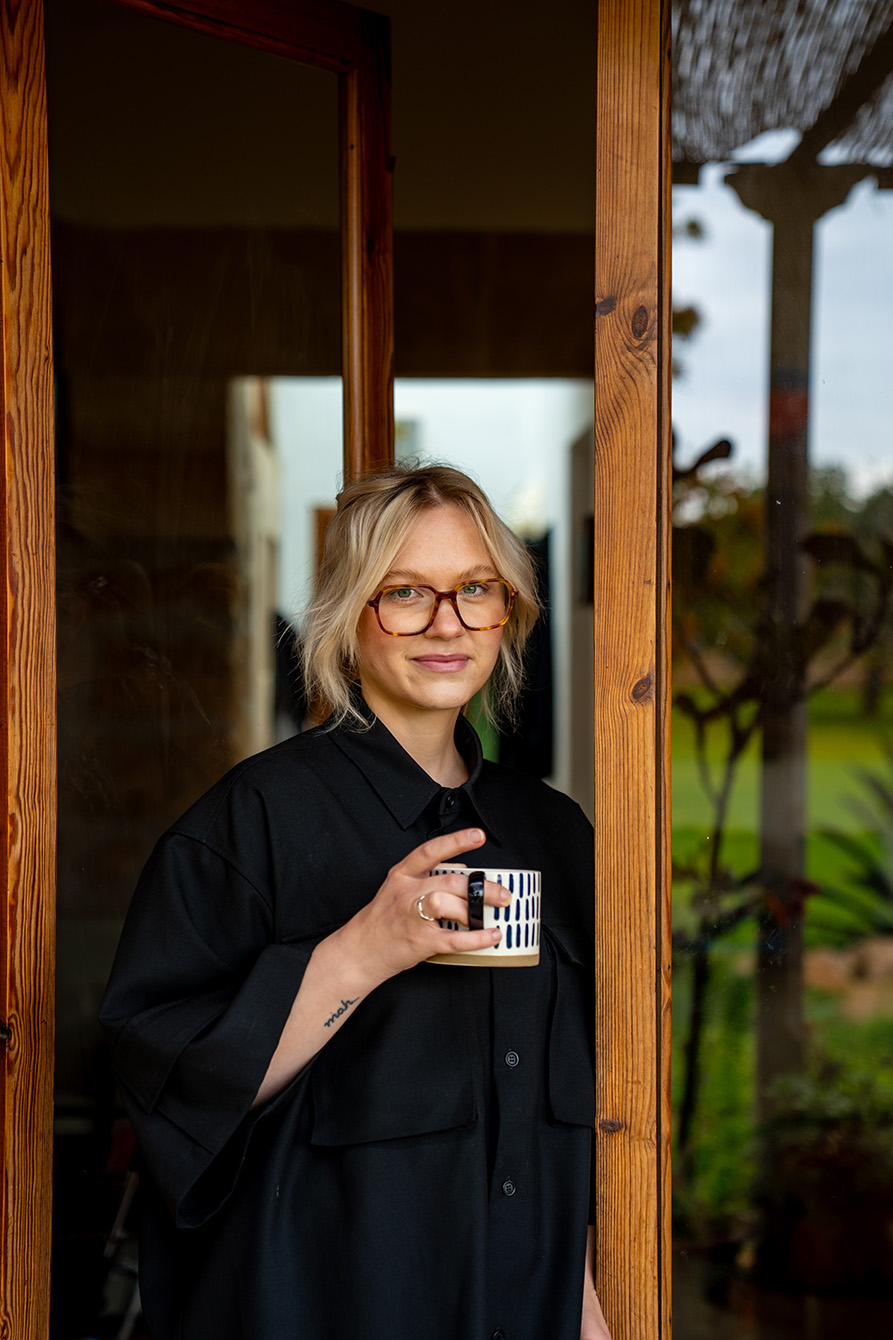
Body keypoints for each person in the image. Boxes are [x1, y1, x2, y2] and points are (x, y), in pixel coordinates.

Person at [100, 464, 612, 1340]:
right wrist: (362, 951)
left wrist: (588, 1306)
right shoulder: (250, 824)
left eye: (475, 589)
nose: (446, 623)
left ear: (509, 612)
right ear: (346, 614)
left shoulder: (554, 833)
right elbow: (177, 1102)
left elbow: (574, 1123)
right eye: (405, 592)